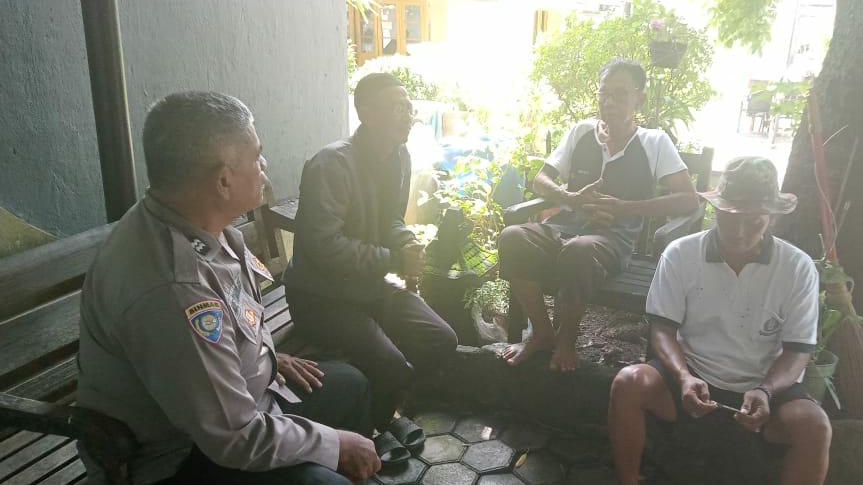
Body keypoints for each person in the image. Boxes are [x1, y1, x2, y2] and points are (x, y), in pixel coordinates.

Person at [77, 92, 380, 485]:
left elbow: (228, 325)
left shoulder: (194, 224)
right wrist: (335, 444)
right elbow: (234, 437)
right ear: (223, 180)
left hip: (238, 408)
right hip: (181, 455)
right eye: (256, 157)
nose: (264, 166)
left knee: (350, 385)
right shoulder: (174, 288)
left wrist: (266, 357)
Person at [608, 157, 831, 485]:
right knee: (628, 383)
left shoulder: (797, 268)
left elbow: (798, 351)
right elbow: (663, 330)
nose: (739, 233)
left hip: (764, 387)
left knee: (815, 426)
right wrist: (684, 376)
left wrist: (765, 390)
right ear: (716, 211)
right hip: (691, 375)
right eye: (730, 218)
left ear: (772, 217)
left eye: (753, 221)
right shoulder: (681, 253)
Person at [498, 57, 699, 371]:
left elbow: (688, 199)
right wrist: (571, 199)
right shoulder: (581, 132)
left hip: (611, 240)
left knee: (578, 251)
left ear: (639, 99)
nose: (609, 102)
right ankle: (542, 333)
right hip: (562, 229)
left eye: (620, 94)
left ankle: (566, 342)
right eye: (604, 93)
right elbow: (541, 179)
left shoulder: (654, 142)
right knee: (512, 237)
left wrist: (626, 208)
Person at [283, 72, 458, 429]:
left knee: (441, 338)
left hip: (368, 287)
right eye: (396, 108)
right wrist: (392, 259)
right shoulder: (332, 164)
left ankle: (390, 403)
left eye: (408, 108)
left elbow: (390, 219)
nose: (406, 116)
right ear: (365, 113)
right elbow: (323, 246)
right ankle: (371, 433)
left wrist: (406, 242)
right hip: (320, 297)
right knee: (389, 364)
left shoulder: (399, 156)